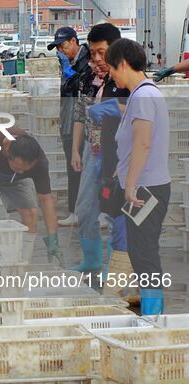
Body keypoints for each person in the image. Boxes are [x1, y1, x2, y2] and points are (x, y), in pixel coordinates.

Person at [104, 38, 171, 315]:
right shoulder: (142, 94)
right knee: (141, 251)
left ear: (122, 62)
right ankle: (151, 312)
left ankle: (153, 316)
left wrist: (130, 185)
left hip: (145, 189)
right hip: (145, 186)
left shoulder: (143, 95)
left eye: (111, 68)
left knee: (144, 254)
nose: (110, 74)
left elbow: (143, 143)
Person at [69, 24, 131, 277]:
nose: (96, 59)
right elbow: (80, 115)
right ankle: (92, 260)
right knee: (85, 209)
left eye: (101, 52)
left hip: (116, 152)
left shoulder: (124, 78)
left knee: (115, 212)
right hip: (91, 150)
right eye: (92, 53)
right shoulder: (87, 78)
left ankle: (114, 268)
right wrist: (75, 150)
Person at [0, 132, 64, 265]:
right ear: (8, 154)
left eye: (25, 169)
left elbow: (46, 200)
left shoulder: (39, 163)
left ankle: (23, 264)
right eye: (18, 167)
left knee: (31, 213)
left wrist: (53, 238)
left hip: (11, 178)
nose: (21, 171)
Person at [47, 27, 93, 226]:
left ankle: (83, 210)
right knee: (72, 166)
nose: (61, 50)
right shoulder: (68, 61)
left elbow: (81, 87)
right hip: (68, 120)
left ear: (74, 41)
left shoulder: (87, 60)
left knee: (84, 167)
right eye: (57, 47)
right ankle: (75, 210)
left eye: (63, 45)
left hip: (83, 122)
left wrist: (69, 71)